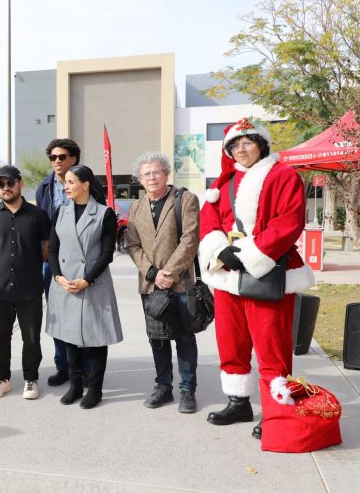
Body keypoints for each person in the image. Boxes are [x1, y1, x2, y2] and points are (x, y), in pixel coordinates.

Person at [199, 117, 314, 439]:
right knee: (231, 343)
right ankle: (238, 402)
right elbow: (208, 221)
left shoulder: (284, 175)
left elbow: (288, 222)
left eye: (247, 142)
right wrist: (220, 250)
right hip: (227, 276)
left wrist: (249, 253)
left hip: (268, 272)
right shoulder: (223, 182)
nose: (241, 149)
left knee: (271, 346)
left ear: (261, 144)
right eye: (235, 145)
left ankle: (277, 410)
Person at [126, 152, 201, 414]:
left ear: (166, 174)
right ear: (140, 179)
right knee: (157, 338)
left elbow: (190, 239)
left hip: (179, 283)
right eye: (146, 174)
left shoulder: (185, 199)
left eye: (156, 172)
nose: (151, 177)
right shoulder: (136, 207)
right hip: (150, 285)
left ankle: (187, 389)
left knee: (184, 337)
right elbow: (132, 245)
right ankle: (163, 387)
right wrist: (152, 273)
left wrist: (168, 273)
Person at [46, 165, 123, 409]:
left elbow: (107, 254)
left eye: (71, 182)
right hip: (65, 283)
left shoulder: (104, 213)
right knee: (69, 336)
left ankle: (96, 389)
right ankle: (75, 385)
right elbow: (53, 249)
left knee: (96, 337)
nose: (66, 187)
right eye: (65, 182)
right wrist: (58, 277)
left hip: (93, 282)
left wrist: (87, 280)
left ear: (86, 184)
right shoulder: (61, 212)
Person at [0, 166, 50, 400]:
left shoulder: (37, 215)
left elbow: (47, 245)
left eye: (10, 183)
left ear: (20, 183)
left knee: (31, 338)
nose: (5, 188)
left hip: (30, 287)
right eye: (1, 184)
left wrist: (31, 262)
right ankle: (2, 379)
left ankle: (31, 379)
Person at [35, 138, 106, 387]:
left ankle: (86, 369)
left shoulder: (91, 184)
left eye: (62, 157)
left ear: (73, 158)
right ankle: (63, 366)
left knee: (84, 316)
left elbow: (100, 223)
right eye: (53, 157)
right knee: (60, 315)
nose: (56, 161)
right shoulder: (44, 188)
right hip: (54, 260)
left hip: (84, 260)